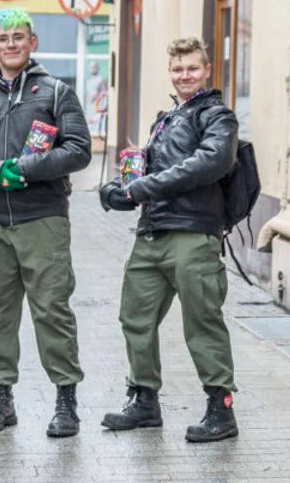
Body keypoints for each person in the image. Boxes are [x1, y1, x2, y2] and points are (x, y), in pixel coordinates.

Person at [0, 8, 92, 438]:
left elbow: (79, 149)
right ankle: (0, 399)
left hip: (42, 220)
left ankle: (65, 402)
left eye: (19, 37)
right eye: (3, 38)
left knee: (51, 310)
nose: (11, 44)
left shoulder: (55, 93)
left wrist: (29, 168)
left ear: (32, 43)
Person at [99, 36, 240, 443]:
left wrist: (144, 189)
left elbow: (209, 162)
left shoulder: (218, 116)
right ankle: (144, 401)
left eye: (192, 68)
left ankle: (221, 410)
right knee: (135, 318)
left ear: (207, 70)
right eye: (178, 69)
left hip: (193, 235)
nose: (185, 76)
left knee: (202, 323)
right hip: (151, 234)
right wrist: (120, 190)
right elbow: (144, 171)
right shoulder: (164, 119)